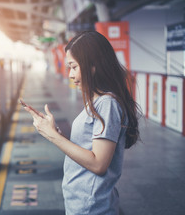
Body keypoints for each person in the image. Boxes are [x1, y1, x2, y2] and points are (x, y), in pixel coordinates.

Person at [23, 31, 141, 215]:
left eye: (74, 67)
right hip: (85, 203)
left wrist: (53, 137)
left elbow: (99, 164)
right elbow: (87, 147)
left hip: (92, 206)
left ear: (94, 66)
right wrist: (54, 131)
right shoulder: (97, 101)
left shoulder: (107, 104)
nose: (70, 74)